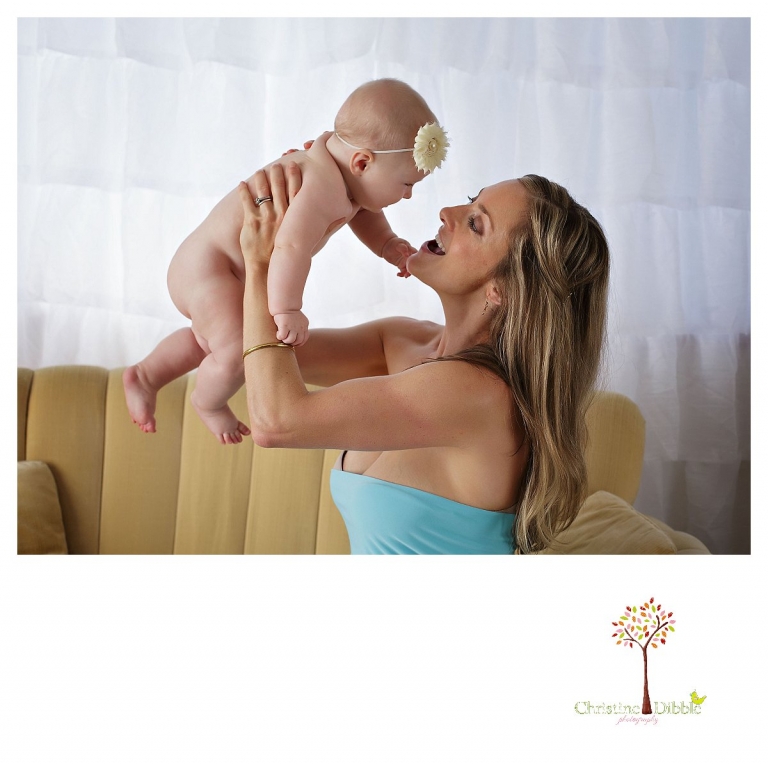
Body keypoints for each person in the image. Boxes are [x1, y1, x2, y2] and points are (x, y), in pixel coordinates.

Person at [238, 149, 610, 555]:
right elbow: (251, 353)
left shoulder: (475, 391)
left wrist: (261, 265)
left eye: (475, 223)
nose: (447, 212)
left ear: (501, 289)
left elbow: (277, 421)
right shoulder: (406, 341)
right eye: (470, 200)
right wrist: (313, 211)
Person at [123, 78, 449, 444]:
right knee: (235, 348)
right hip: (210, 268)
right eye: (407, 184)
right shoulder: (321, 187)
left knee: (212, 339)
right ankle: (208, 403)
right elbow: (291, 248)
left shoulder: (342, 171)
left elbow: (363, 210)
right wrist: (286, 309)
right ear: (362, 162)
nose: (407, 196)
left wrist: (388, 244)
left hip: (221, 267)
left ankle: (146, 376)